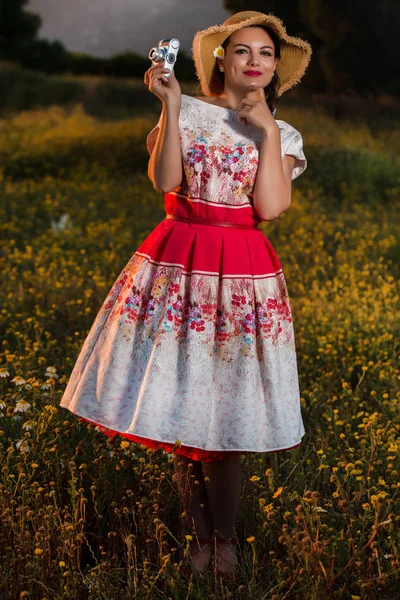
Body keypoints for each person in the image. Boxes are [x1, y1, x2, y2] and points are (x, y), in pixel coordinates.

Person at [59, 10, 312, 582]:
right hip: (178, 262)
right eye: (243, 51)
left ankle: (226, 542)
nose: (255, 61)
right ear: (222, 59)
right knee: (186, 408)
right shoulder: (191, 112)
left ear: (275, 68)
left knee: (228, 412)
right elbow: (166, 183)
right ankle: (201, 539)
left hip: (242, 270)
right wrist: (171, 106)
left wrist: (267, 129)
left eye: (266, 54)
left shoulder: (285, 133)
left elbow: (270, 207)